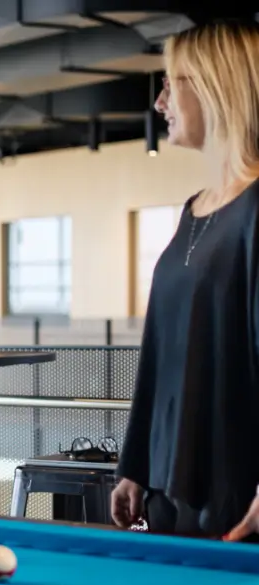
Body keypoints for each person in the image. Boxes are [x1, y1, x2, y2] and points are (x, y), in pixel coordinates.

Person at [111, 19, 259, 541]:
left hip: (239, 494)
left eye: (172, 82)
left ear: (217, 86)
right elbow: (162, 351)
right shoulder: (192, 211)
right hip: (170, 489)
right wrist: (135, 464)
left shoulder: (257, 207)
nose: (159, 103)